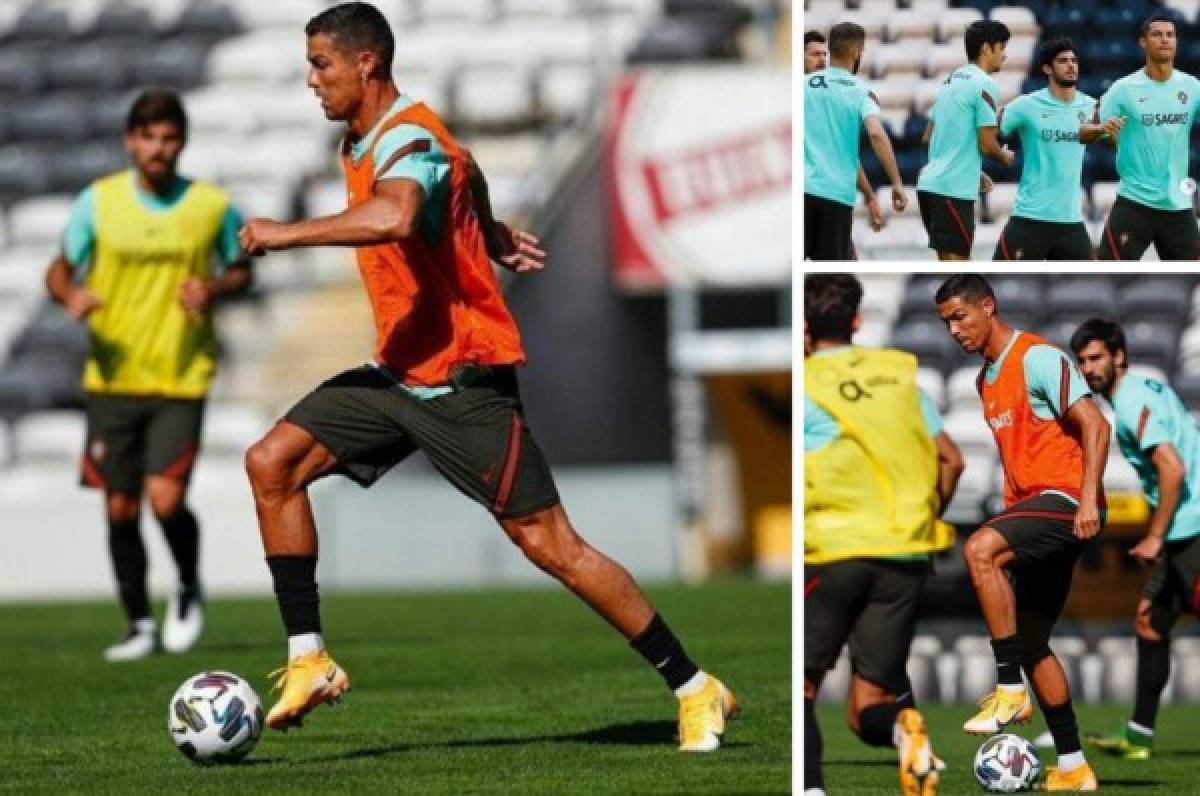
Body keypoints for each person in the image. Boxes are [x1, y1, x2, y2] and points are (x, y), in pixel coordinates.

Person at [235, 2, 737, 751]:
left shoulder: (406, 137)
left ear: (366, 62)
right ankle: (308, 658)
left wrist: (285, 234)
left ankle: (695, 686)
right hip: (399, 371)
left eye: (321, 64)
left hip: (465, 381)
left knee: (551, 546)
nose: (312, 80)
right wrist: (488, 232)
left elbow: (398, 215)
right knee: (272, 462)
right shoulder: (371, 137)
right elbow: (462, 167)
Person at [44, 90, 253, 661]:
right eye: (148, 137)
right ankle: (138, 623)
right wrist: (70, 296)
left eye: (168, 138)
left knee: (164, 500)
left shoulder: (209, 206)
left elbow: (243, 269)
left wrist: (212, 288)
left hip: (181, 374)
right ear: (130, 141)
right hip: (112, 377)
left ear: (181, 143)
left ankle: (186, 585)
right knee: (118, 506)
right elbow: (58, 271)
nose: (157, 149)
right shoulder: (99, 202)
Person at [934, 274, 1107, 791]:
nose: (953, 331)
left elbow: (1094, 425)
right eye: (946, 323)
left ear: (988, 306)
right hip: (1034, 505)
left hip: (1067, 499)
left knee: (981, 549)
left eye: (960, 317)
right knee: (1033, 640)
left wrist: (1092, 496)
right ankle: (1074, 767)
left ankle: (1009, 686)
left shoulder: (1037, 357)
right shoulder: (984, 379)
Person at [804, 274, 964, 796]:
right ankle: (905, 730)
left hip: (834, 549)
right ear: (856, 321)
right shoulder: (900, 376)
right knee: (868, 706)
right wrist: (923, 514)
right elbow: (951, 459)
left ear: (804, 327)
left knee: (803, 686)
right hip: (905, 554)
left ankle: (809, 788)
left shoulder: (804, 384)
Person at [1071, 318, 1200, 760]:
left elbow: (1173, 468)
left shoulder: (1130, 402)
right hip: (1185, 527)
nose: (1089, 368)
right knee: (1150, 621)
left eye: (1096, 358)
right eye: (1082, 360)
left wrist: (1154, 536)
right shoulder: (1146, 389)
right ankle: (1139, 736)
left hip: (1192, 528)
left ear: (1118, 356)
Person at [993, 37, 1124, 260]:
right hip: (1029, 218)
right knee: (999, 281)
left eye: (1074, 60)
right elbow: (988, 130)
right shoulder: (1026, 105)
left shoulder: (1092, 106)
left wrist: (1115, 135)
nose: (1071, 65)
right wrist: (995, 155)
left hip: (1070, 222)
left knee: (1086, 289)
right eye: (1063, 61)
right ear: (1047, 68)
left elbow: (1117, 144)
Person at [1095, 13, 1200, 260]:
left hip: (1178, 205)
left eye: (1170, 35)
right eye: (1157, 34)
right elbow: (1100, 134)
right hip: (1134, 203)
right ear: (1143, 42)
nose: (1165, 40)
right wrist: (1110, 135)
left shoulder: (1193, 87)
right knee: (1107, 274)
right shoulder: (1122, 90)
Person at [803, 22, 907, 260]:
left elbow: (842, 153)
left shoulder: (802, 86)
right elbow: (877, 134)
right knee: (830, 280)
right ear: (857, 52)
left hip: (802, 190)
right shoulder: (862, 91)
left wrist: (870, 196)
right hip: (835, 195)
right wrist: (896, 182)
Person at [916, 20, 1015, 260]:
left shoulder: (951, 80)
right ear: (986, 48)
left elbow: (928, 136)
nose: (1005, 55)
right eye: (1001, 47)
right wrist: (1005, 156)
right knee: (957, 269)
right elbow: (987, 144)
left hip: (930, 185)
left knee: (953, 267)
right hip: (952, 189)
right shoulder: (985, 84)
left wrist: (971, 168)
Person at [804, 30, 886, 235]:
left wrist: (869, 195)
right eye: (815, 55)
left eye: (825, 54)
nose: (822, 60)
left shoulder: (824, 97)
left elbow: (844, 154)